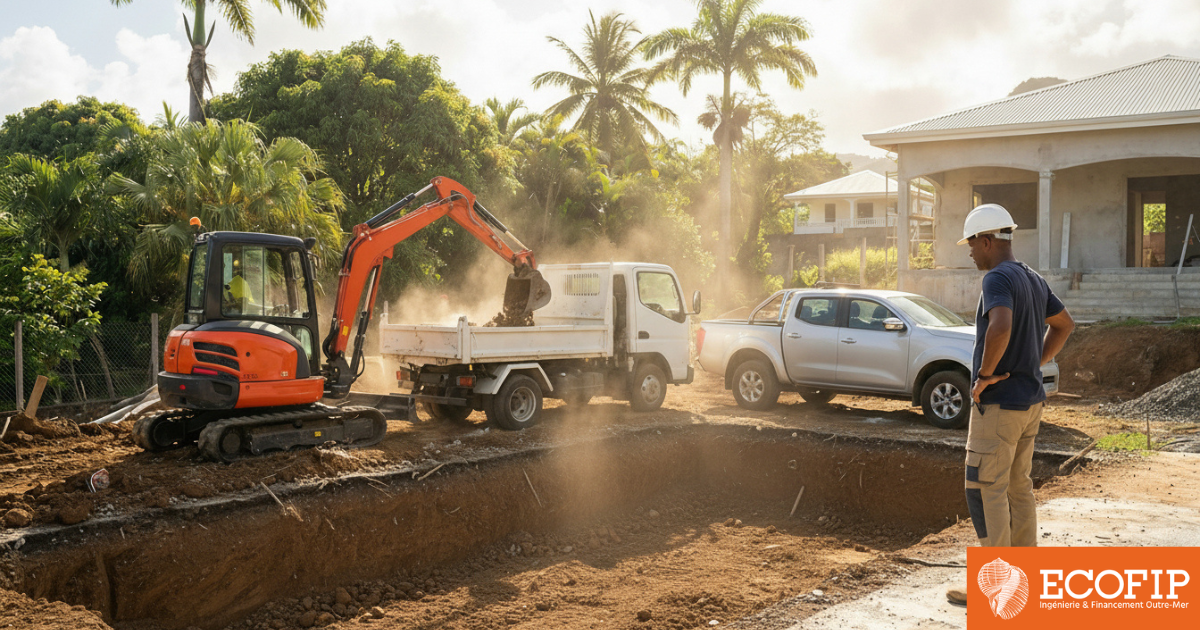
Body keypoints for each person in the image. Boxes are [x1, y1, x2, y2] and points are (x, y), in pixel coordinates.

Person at [945, 203, 1075, 605]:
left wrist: (984, 376)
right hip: (1030, 403)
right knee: (1019, 488)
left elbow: (1000, 325)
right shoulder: (1033, 278)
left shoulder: (997, 278)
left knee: (985, 489)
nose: (969, 253)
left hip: (999, 406)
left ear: (988, 241)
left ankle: (997, 589)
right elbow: (1065, 324)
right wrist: (1033, 362)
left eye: (971, 244)